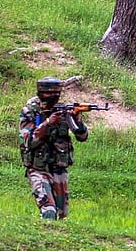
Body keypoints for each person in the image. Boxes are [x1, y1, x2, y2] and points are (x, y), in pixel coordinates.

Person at [19, 77, 89, 220]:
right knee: (48, 211)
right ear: (41, 93)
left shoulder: (64, 111)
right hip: (38, 169)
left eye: (57, 94)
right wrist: (47, 124)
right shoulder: (31, 112)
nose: (54, 97)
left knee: (62, 215)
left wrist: (77, 119)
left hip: (59, 170)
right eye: (50, 94)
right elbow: (28, 142)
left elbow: (82, 137)